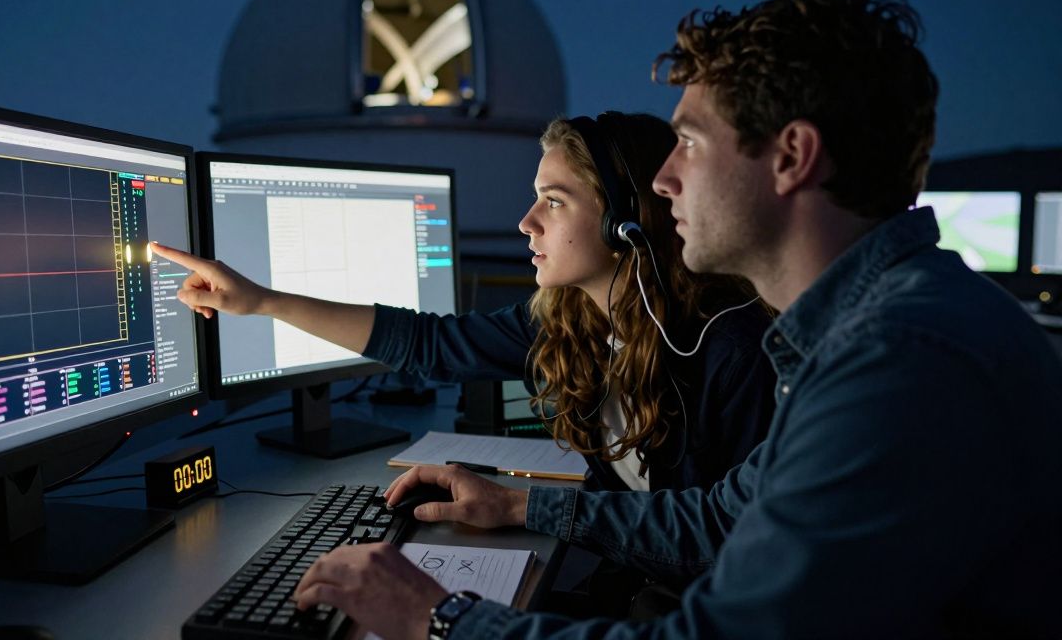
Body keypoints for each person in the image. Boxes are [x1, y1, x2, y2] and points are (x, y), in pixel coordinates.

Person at [278, 0, 1062, 639]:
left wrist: (438, 618)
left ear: (791, 157)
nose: (662, 181)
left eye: (688, 142)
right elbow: (722, 522)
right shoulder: (857, 336)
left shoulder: (901, 363)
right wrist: (519, 505)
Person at [152, 113, 776, 499]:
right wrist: (264, 301)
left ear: (625, 221)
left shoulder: (726, 347)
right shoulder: (573, 320)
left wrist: (525, 509)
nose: (526, 223)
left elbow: (720, 540)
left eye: (554, 202)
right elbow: (429, 345)